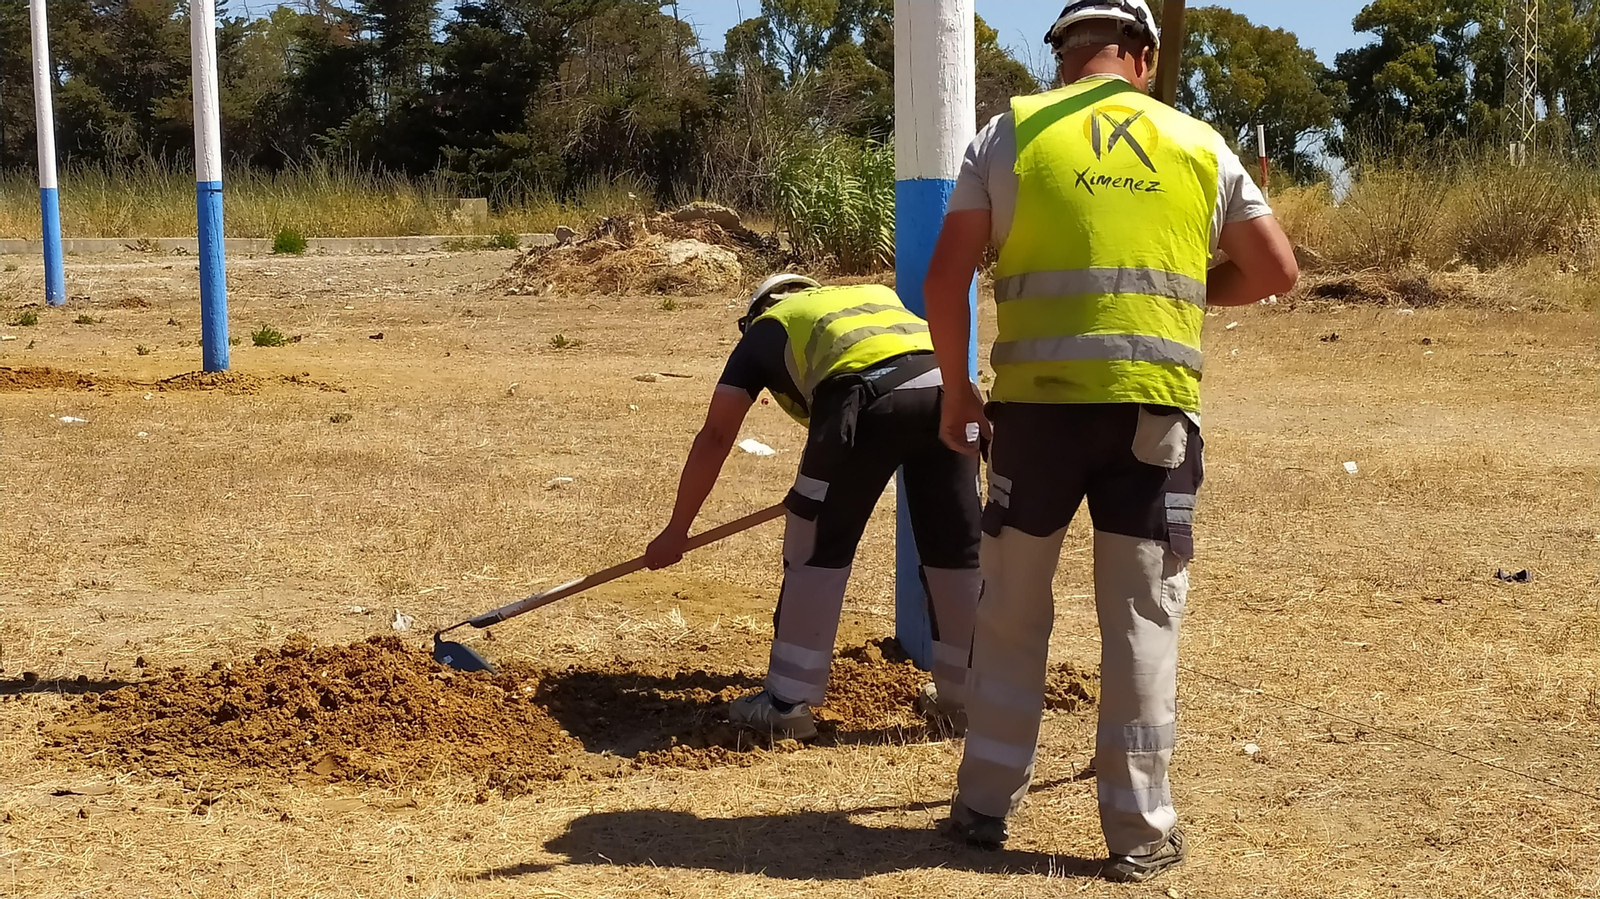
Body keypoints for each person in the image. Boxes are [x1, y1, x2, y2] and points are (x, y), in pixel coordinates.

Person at [920, 0, 1299, 883]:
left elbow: (946, 282)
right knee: (1142, 617)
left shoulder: (1007, 134)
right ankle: (1139, 832)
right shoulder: (1198, 142)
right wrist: (1177, 294)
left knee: (1011, 605)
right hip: (1153, 416)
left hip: (1036, 417)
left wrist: (957, 389)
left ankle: (983, 803)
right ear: (1140, 52)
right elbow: (1276, 269)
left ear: (1068, 53)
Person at [643, 274, 983, 740]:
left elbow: (717, 435)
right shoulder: (870, 295)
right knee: (955, 551)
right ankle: (965, 701)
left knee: (815, 547)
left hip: (862, 400)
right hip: (947, 389)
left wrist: (676, 531)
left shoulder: (767, 327)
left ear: (757, 311)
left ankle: (785, 705)